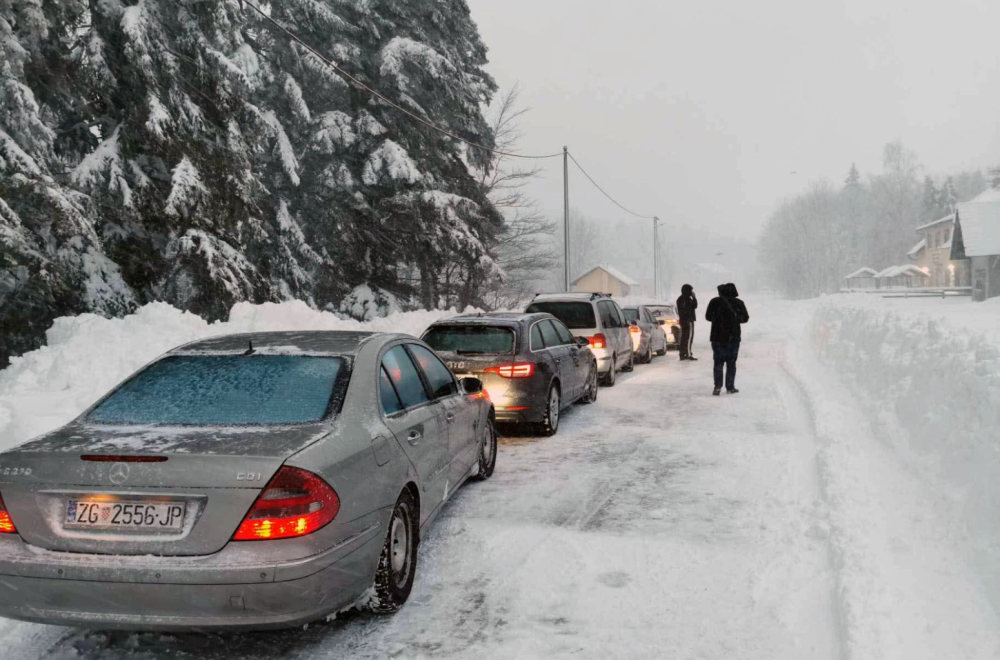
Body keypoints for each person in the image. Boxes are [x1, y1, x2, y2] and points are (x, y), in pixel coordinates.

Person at [704, 283, 749, 396]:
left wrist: (718, 319)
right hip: (733, 337)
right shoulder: (739, 303)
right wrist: (735, 319)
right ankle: (730, 387)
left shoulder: (714, 302)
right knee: (731, 363)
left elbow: (708, 317)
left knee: (718, 362)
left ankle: (717, 386)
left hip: (717, 336)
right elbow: (745, 318)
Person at [676, 284, 697, 360]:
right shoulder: (687, 299)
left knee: (684, 337)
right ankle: (688, 354)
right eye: (690, 290)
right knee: (689, 337)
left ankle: (682, 354)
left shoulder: (680, 299)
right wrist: (694, 297)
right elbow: (694, 306)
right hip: (688, 320)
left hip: (683, 320)